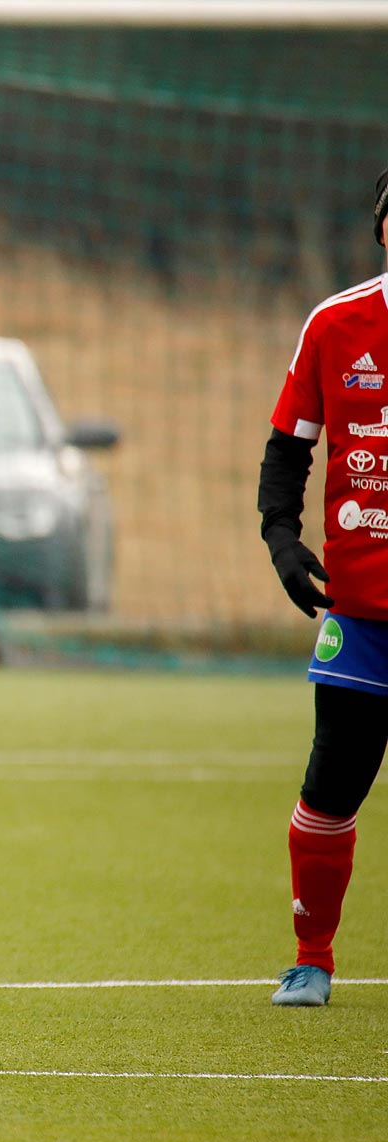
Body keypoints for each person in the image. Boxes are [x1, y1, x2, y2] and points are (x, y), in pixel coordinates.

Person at [257, 168, 388, 1008]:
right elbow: (288, 445)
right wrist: (280, 533)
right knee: (329, 788)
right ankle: (314, 956)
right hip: (365, 613)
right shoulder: (338, 323)